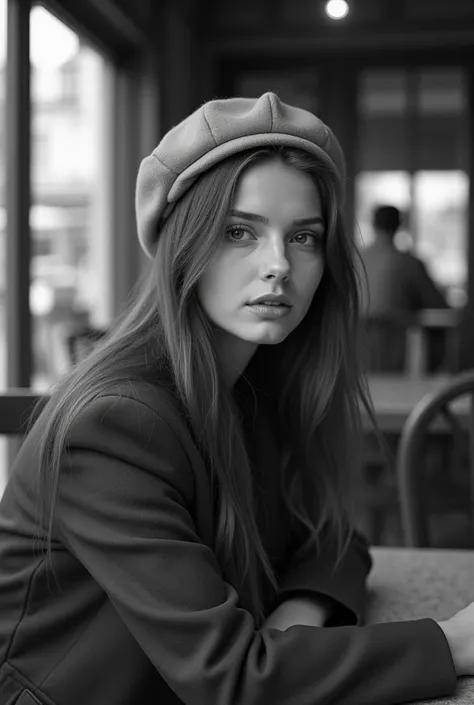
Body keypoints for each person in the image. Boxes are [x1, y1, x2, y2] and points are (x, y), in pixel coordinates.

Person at [0, 92, 472, 705]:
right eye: (240, 231)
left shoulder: (256, 385)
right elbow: (230, 678)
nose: (278, 265)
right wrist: (454, 642)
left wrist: (287, 630)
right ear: (185, 247)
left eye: (304, 237)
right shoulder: (114, 424)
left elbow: (332, 540)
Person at [359, 205, 450, 372]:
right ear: (399, 226)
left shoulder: (353, 259)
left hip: (355, 351)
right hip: (397, 349)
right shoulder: (408, 263)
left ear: (373, 225)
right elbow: (436, 302)